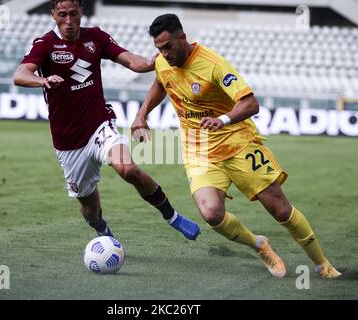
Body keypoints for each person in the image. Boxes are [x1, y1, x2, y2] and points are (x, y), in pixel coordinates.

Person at [132, 13, 341, 278]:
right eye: (158, 49)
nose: (163, 54)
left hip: (238, 145)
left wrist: (222, 119)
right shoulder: (163, 62)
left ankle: (323, 265)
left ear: (182, 38)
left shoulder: (214, 64)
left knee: (280, 209)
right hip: (199, 150)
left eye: (168, 46)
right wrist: (142, 115)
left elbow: (251, 103)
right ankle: (259, 245)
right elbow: (161, 83)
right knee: (211, 214)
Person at [13, 1, 200, 241]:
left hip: (99, 125)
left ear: (81, 11)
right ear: (53, 15)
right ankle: (102, 230)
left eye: (72, 14)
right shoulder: (45, 44)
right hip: (68, 142)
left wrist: (155, 62)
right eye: (62, 15)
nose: (68, 21)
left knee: (128, 169)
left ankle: (172, 216)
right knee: (90, 209)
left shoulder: (96, 37)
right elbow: (20, 75)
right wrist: (42, 80)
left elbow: (132, 62)